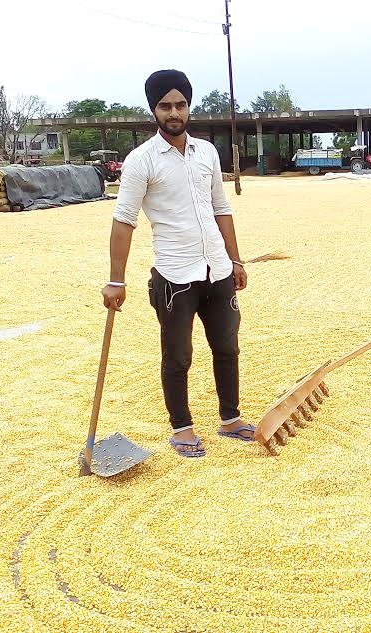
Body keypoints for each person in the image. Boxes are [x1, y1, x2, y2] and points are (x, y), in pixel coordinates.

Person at [102, 69, 254, 458]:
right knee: (178, 355)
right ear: (153, 109)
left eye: (181, 104)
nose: (174, 112)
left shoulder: (206, 153)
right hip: (173, 275)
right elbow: (124, 220)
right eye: (166, 105)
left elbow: (221, 208)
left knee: (227, 346)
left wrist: (234, 259)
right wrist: (115, 280)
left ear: (189, 107)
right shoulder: (142, 161)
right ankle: (182, 428)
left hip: (216, 269)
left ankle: (230, 419)